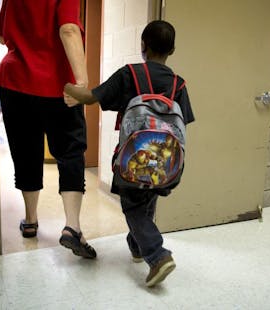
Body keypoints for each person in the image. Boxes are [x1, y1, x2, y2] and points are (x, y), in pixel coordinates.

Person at [63, 20, 195, 286]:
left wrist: (68, 89)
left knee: (133, 205)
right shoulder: (178, 85)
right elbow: (184, 122)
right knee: (147, 200)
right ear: (173, 49)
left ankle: (157, 255)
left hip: (134, 159)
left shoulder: (129, 74)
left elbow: (91, 97)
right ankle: (136, 247)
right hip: (165, 162)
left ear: (143, 45)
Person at [0, 0, 96, 259]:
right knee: (71, 151)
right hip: (58, 83)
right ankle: (72, 226)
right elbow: (68, 29)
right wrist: (82, 82)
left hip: (15, 80)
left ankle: (30, 220)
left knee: (25, 151)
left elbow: (0, 34)